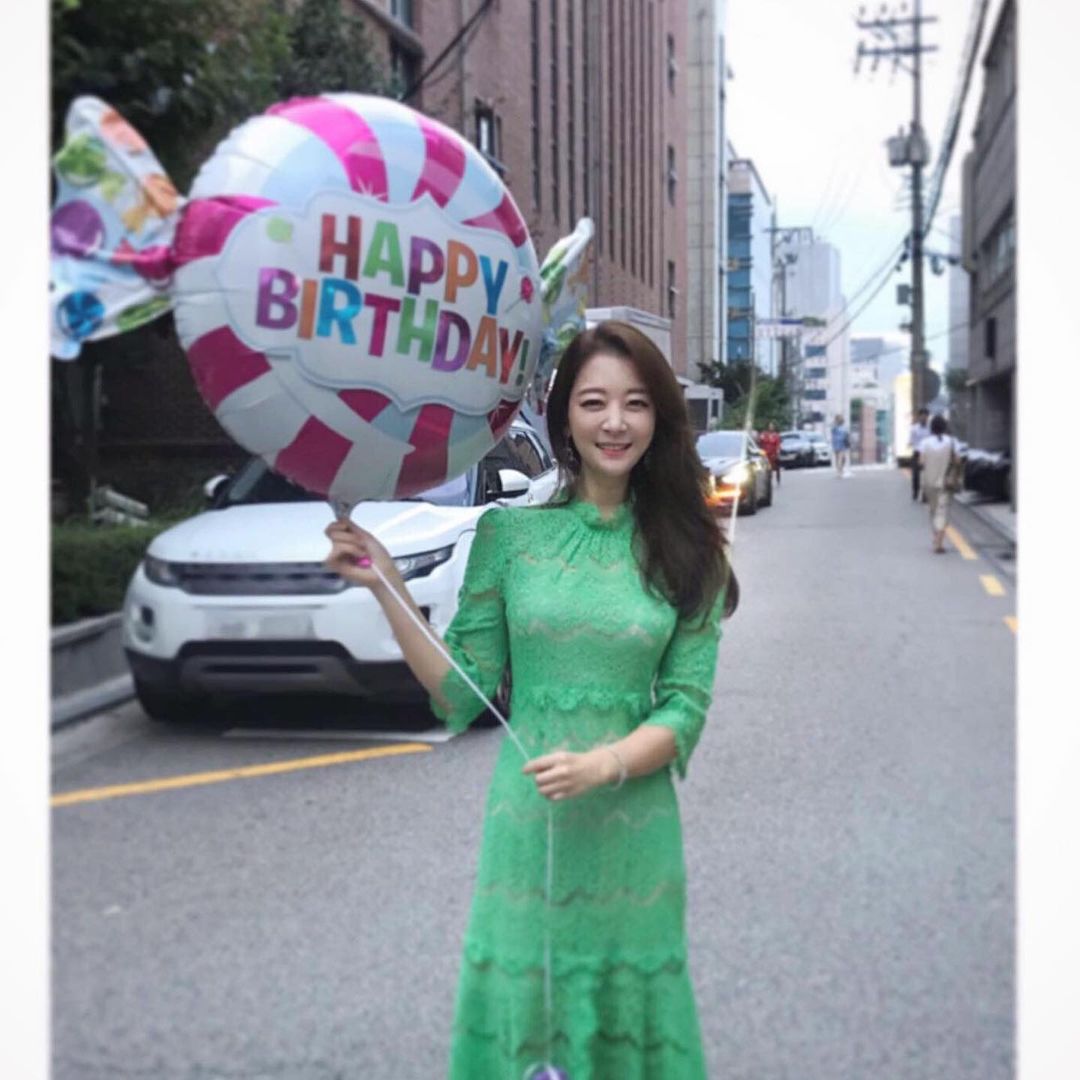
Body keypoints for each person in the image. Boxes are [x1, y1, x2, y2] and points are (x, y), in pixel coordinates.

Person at [325, 321, 738, 1079]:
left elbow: (684, 710)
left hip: (633, 835)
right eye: (594, 402)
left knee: (624, 1013)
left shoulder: (692, 552)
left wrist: (605, 764)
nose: (615, 422)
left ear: (659, 417)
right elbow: (461, 690)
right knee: (528, 1013)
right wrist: (386, 584)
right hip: (528, 829)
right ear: (563, 416)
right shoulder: (508, 538)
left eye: (636, 403)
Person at [920, 413, 959, 553]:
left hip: (929, 481)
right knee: (942, 511)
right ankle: (938, 543)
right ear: (945, 427)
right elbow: (957, 461)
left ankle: (936, 537)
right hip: (945, 481)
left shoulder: (925, 443)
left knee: (933, 510)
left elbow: (921, 462)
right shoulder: (951, 442)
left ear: (931, 428)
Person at [909, 407, 930, 502]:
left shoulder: (930, 428)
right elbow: (912, 441)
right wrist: (913, 444)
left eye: (926, 416)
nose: (924, 418)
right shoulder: (914, 428)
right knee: (916, 475)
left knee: (927, 475)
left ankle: (925, 494)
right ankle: (915, 491)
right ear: (919, 417)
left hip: (928, 454)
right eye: (922, 416)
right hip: (917, 453)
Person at [758, 420, 782, 486]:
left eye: (772, 426)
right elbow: (760, 442)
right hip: (765, 454)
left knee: (775, 466)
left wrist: (778, 451)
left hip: (773, 454)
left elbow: (778, 444)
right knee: (765, 468)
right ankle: (767, 480)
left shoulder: (776, 435)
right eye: (770, 426)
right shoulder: (763, 434)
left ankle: (776, 478)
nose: (771, 427)